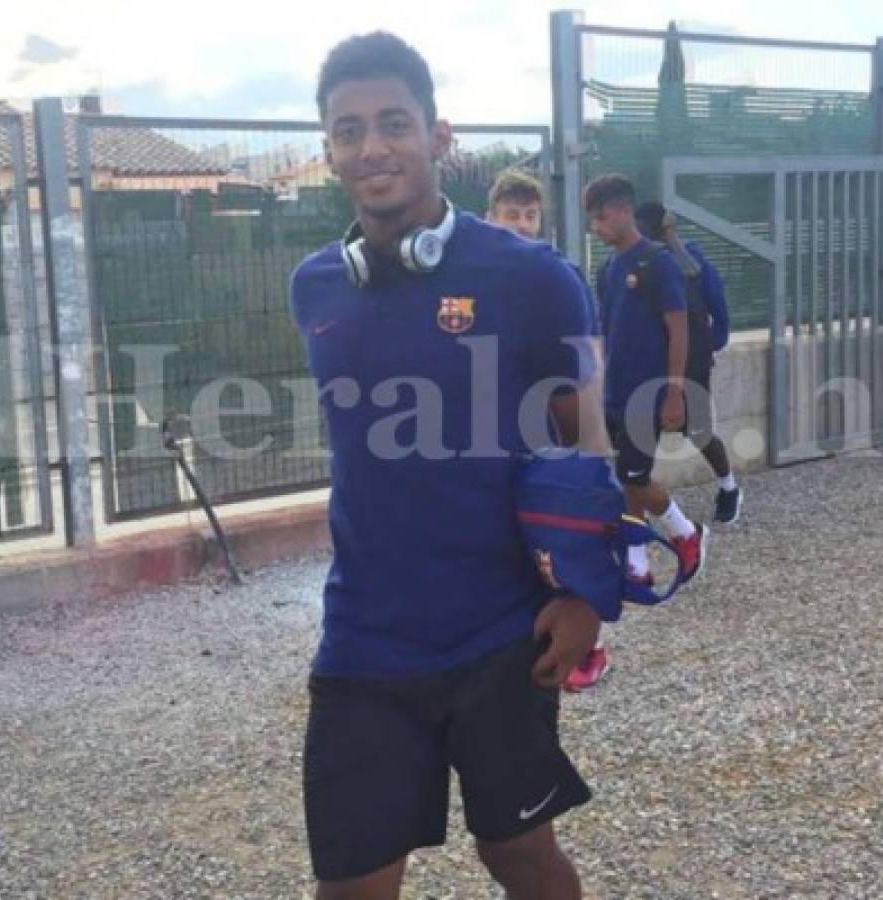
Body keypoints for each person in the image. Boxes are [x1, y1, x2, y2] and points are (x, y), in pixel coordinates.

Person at [291, 31, 615, 899]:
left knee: (518, 856)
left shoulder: (532, 279)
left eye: (393, 122)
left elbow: (584, 439)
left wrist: (587, 593)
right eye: (348, 130)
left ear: (439, 135)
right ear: (328, 150)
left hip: (502, 632)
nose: (372, 147)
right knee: (352, 884)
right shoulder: (313, 287)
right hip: (363, 635)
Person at [487, 168, 610, 691]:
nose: (521, 224)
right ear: (490, 216)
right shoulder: (469, 276)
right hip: (492, 440)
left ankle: (593, 643)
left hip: (546, 434)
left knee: (564, 546)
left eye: (530, 214)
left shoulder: (557, 276)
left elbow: (588, 359)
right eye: (511, 214)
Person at [584, 174, 708, 589]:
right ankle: (636, 562)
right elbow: (608, 330)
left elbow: (679, 330)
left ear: (623, 211)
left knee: (635, 476)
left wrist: (674, 392)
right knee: (624, 475)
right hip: (615, 389)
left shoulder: (657, 262)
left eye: (601, 218)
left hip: (649, 390)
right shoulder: (607, 268)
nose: (595, 228)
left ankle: (685, 532)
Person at [634, 202, 743, 525]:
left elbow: (715, 302)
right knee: (640, 433)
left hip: (691, 356)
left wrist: (714, 342)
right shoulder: (639, 261)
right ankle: (637, 502)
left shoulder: (690, 260)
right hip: (650, 359)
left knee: (697, 430)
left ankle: (729, 487)